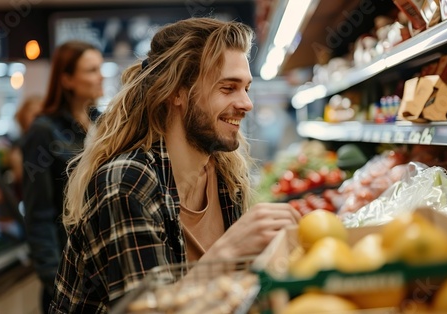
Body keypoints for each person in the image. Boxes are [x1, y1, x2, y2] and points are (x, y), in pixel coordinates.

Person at [50, 17, 299, 313]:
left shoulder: (226, 175)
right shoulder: (128, 183)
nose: (246, 103)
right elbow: (148, 310)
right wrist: (229, 250)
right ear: (177, 92)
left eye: (245, 88)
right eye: (228, 88)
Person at [20, 40, 104, 314]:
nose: (100, 76)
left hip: (104, 270)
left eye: (100, 68)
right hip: (69, 278)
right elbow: (39, 214)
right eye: (91, 70)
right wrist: (54, 283)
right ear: (67, 79)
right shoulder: (44, 131)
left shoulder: (103, 123)